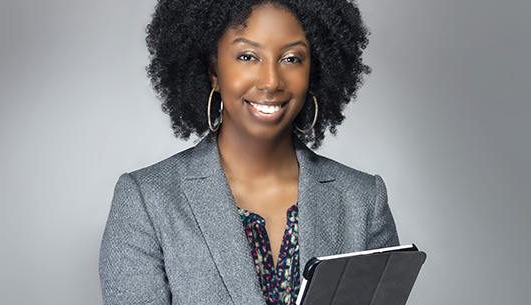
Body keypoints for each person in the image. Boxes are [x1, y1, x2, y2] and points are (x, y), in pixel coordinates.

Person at [98, 0, 399, 304]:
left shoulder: (364, 201)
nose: (271, 81)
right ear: (214, 70)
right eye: (247, 56)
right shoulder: (146, 201)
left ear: (314, 70)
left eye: (292, 58)